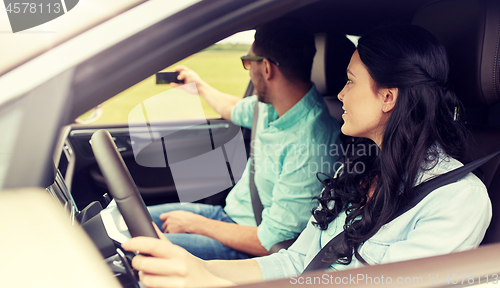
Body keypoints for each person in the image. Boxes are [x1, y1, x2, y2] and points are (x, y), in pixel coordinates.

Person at [125, 24, 492, 287]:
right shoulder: (361, 173)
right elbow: (294, 261)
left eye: (349, 81)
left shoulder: (458, 199)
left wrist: (210, 281)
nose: (340, 94)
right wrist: (197, 267)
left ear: (387, 97)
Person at [146, 19, 342, 260]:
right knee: (131, 220)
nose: (248, 68)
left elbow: (271, 241)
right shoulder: (270, 107)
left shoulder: (312, 143)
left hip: (251, 245)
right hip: (229, 217)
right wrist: (198, 85)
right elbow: (233, 108)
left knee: (141, 250)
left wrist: (195, 224)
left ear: (267, 68)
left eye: (248, 61)